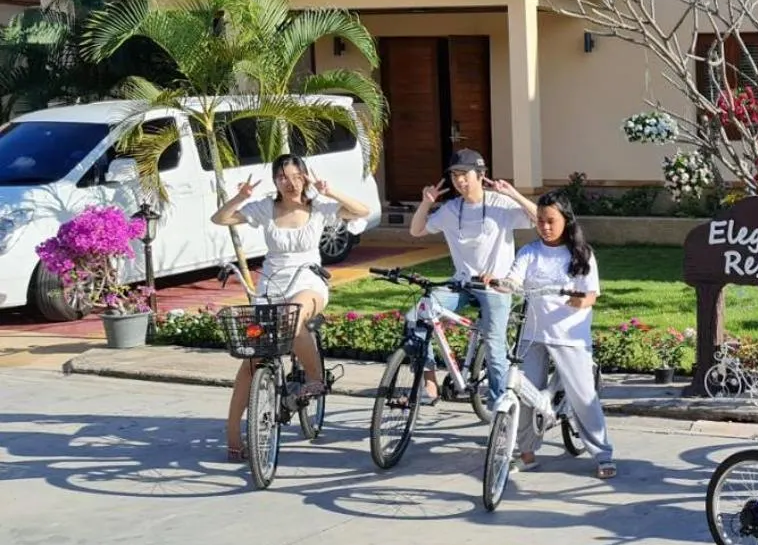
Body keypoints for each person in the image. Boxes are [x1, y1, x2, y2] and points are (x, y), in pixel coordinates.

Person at [212, 153, 371, 462]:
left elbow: (361, 211)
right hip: (270, 286)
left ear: (305, 177)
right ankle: (233, 433)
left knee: (291, 316)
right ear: (275, 180)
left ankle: (314, 378)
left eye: (296, 176)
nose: (290, 182)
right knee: (251, 360)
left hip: (309, 280)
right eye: (283, 176)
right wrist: (240, 197)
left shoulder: (320, 207)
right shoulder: (265, 209)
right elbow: (221, 219)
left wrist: (329, 191)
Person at [498, 188, 616, 480]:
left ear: (565, 220)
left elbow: (591, 296)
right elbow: (513, 278)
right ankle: (526, 453)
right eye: (540, 221)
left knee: (583, 397)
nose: (545, 227)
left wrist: (580, 300)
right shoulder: (529, 252)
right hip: (532, 334)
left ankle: (602, 453)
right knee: (525, 395)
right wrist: (503, 284)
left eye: (551, 220)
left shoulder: (581, 254)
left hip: (569, 336)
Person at [407, 149, 537, 406]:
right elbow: (417, 230)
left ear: (480, 175)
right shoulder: (451, 209)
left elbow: (539, 218)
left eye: (464, 174)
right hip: (462, 284)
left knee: (494, 346)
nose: (459, 181)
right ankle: (430, 384)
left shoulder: (500, 204)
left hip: (496, 287)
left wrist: (513, 194)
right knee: (416, 316)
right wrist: (426, 203)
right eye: (455, 175)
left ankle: (501, 407)